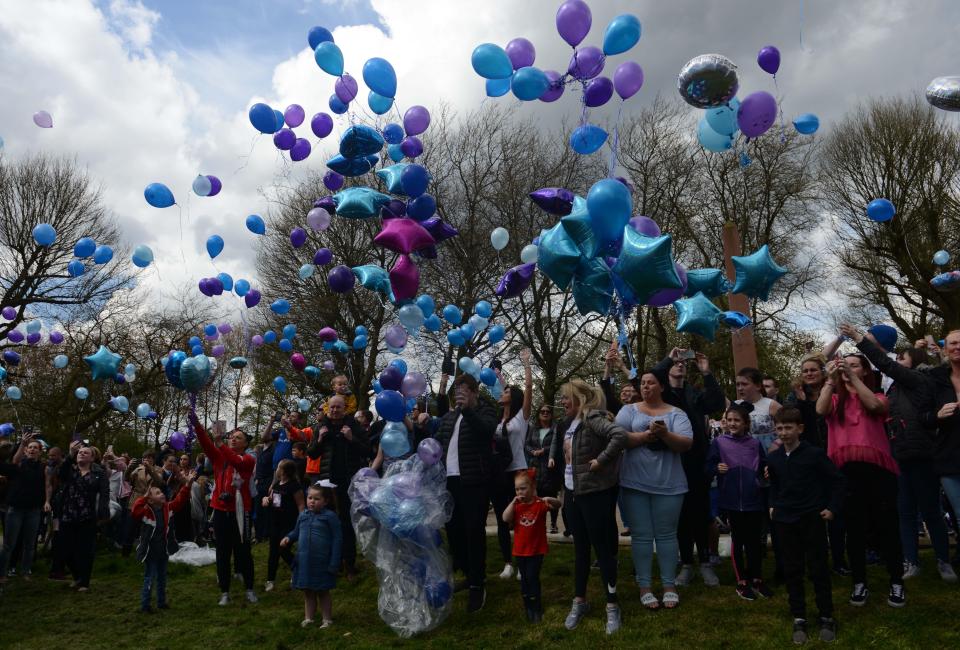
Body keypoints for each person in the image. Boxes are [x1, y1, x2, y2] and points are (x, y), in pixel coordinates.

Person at [841, 323, 957, 582]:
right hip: (898, 454)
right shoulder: (894, 389)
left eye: (901, 358)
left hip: (920, 454)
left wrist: (860, 338)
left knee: (930, 510)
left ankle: (943, 561)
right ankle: (911, 561)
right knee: (903, 511)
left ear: (912, 363)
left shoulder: (917, 380)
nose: (896, 362)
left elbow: (885, 363)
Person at [816, 352, 905, 607]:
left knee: (887, 525)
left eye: (855, 365)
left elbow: (876, 407)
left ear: (865, 371)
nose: (847, 367)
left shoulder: (876, 396)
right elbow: (820, 410)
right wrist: (831, 380)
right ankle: (859, 581)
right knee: (853, 529)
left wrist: (853, 378)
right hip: (846, 473)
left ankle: (896, 580)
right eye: (846, 364)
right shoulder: (834, 399)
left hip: (878, 471)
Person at [554, 379, 627, 634]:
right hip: (573, 495)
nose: (563, 402)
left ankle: (612, 605)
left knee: (602, 550)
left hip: (593, 494)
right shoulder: (569, 424)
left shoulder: (592, 417)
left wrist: (601, 461)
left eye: (567, 398)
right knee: (581, 550)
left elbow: (619, 436)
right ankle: (579, 601)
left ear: (580, 399)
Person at [616, 370, 693, 611]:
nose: (646, 387)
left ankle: (669, 585)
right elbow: (617, 437)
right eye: (643, 383)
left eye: (651, 383)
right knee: (641, 536)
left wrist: (665, 434)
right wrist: (646, 435)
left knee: (667, 535)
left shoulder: (676, 413)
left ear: (661, 386)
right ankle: (645, 587)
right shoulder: (628, 410)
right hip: (634, 482)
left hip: (670, 484)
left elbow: (686, 443)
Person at [767, 408, 845, 644]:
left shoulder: (814, 454)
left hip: (811, 518)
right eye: (780, 428)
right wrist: (773, 505)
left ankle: (826, 615)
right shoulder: (774, 457)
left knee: (818, 567)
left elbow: (838, 481)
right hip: (785, 520)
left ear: (800, 428)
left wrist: (832, 508)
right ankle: (799, 616)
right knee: (792, 569)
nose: (784, 433)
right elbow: (773, 484)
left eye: (789, 427)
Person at [654, 348, 725, 588]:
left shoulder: (694, 394)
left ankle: (704, 562)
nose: (681, 364)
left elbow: (715, 401)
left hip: (697, 462)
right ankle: (686, 564)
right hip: (673, 461)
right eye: (677, 362)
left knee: (701, 513)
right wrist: (669, 359)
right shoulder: (663, 396)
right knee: (681, 515)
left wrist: (706, 372)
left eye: (684, 362)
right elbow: (652, 375)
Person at [436, 373, 498, 613]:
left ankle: (477, 584)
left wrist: (468, 410)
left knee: (474, 533)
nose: (459, 395)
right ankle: (468, 572)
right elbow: (439, 439)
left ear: (474, 392)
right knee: (454, 531)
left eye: (464, 391)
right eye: (457, 391)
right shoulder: (451, 417)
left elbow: (486, 432)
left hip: (474, 481)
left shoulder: (485, 410)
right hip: (449, 481)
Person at [189, 413, 258, 606]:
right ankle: (225, 592)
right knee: (222, 552)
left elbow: (236, 462)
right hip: (220, 510)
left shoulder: (248, 459)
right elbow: (205, 444)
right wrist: (196, 425)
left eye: (238, 438)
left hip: (240, 511)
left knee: (243, 551)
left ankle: (249, 589)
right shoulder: (219, 456)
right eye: (232, 436)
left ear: (245, 444)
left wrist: (221, 445)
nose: (233, 439)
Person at [706, 402, 772, 600]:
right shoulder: (719, 443)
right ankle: (742, 580)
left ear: (746, 423)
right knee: (739, 541)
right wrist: (716, 468)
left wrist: (767, 471)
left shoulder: (754, 444)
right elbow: (707, 467)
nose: (733, 423)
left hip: (753, 500)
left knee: (754, 542)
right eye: (730, 420)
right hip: (731, 501)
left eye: (737, 420)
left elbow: (763, 465)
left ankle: (757, 578)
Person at [307, 394, 369, 579]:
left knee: (346, 523)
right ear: (327, 408)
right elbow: (311, 453)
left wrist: (351, 438)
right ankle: (330, 562)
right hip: (327, 482)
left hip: (347, 481)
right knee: (326, 522)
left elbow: (366, 450)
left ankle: (349, 563)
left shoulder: (353, 425)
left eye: (338, 407)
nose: (334, 410)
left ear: (345, 408)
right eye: (331, 407)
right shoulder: (320, 426)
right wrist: (319, 440)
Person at [492, 349, 533, 580]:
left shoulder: (522, 418)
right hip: (500, 473)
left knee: (519, 518)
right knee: (502, 518)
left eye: (506, 391)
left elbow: (527, 390)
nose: (502, 392)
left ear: (513, 397)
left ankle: (522, 560)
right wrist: (499, 376)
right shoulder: (499, 422)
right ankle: (508, 562)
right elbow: (504, 389)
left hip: (518, 471)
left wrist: (525, 363)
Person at [132, 470, 197, 612]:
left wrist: (188, 484)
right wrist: (143, 497)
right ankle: (145, 605)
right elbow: (135, 511)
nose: (162, 494)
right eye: (157, 493)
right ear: (150, 500)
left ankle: (161, 602)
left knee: (162, 578)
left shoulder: (168, 508)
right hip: (150, 552)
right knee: (150, 577)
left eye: (161, 492)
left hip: (163, 551)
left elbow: (180, 500)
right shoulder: (146, 512)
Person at [923, 329, 960, 571]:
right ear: (945, 349)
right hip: (950, 455)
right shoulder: (936, 378)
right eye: (953, 343)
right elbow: (922, 416)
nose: (958, 347)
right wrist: (936, 415)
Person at [503, 469, 561, 622]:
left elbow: (558, 504)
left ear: (532, 487)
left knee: (532, 577)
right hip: (520, 551)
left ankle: (536, 607)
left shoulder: (539, 504)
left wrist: (549, 498)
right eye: (517, 489)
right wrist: (512, 502)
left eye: (523, 488)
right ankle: (527, 603)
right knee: (524, 579)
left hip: (536, 550)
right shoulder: (516, 507)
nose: (519, 492)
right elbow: (504, 518)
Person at [282, 482, 342, 628]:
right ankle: (309, 618)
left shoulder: (330, 517)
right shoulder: (303, 515)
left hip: (322, 561)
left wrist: (334, 562)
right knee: (308, 591)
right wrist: (289, 537)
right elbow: (296, 532)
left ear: (326, 501)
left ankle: (327, 619)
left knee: (322, 590)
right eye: (310, 498)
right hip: (304, 560)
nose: (312, 501)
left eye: (316, 499)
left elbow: (337, 540)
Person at [58, 440, 110, 591]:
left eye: (85, 453)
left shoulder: (98, 474)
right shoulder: (70, 470)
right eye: (80, 452)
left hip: (87, 517)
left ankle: (84, 582)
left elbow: (105, 494)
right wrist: (69, 455)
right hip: (68, 515)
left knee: (85, 551)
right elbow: (60, 475)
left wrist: (103, 512)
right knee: (65, 550)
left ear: (92, 458)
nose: (81, 453)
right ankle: (77, 576)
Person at [0, 432, 46, 582]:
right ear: (26, 451)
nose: (32, 450)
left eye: (35, 448)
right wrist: (22, 444)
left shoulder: (43, 468)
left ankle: (26, 571)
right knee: (9, 544)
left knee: (29, 544)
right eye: (29, 448)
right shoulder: (18, 465)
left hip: (34, 510)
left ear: (40, 451)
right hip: (15, 510)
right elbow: (14, 460)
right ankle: (2, 573)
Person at [262, 459, 304, 591]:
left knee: (283, 549)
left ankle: (297, 568)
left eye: (279, 467)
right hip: (275, 522)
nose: (276, 470)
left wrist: (302, 521)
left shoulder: (294, 486)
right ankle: (270, 580)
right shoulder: (276, 485)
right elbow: (270, 498)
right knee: (273, 552)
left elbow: (301, 504)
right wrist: (265, 499)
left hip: (289, 523)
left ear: (284, 471)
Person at [525, 404, 561, 534]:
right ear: (539, 414)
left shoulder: (556, 428)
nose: (545, 413)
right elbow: (527, 444)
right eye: (542, 411)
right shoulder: (533, 428)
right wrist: (533, 452)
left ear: (551, 414)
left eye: (548, 411)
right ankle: (540, 523)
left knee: (551, 495)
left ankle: (553, 523)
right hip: (535, 466)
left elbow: (556, 445)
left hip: (550, 467)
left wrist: (544, 450)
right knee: (537, 497)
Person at [123, 450, 163, 556]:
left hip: (150, 502)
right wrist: (129, 467)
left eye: (150, 458)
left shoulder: (158, 469)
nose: (147, 459)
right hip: (135, 500)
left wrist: (150, 469)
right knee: (130, 527)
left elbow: (159, 482)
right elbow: (127, 479)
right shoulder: (138, 468)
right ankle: (125, 552)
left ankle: (145, 552)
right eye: (145, 457)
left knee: (146, 528)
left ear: (153, 460)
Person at [735, 367, 782, 452]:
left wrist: (777, 443)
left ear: (758, 386)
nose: (740, 388)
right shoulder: (735, 405)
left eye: (744, 384)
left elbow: (790, 428)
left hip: (768, 454)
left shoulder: (771, 405)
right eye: (738, 384)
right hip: (743, 455)